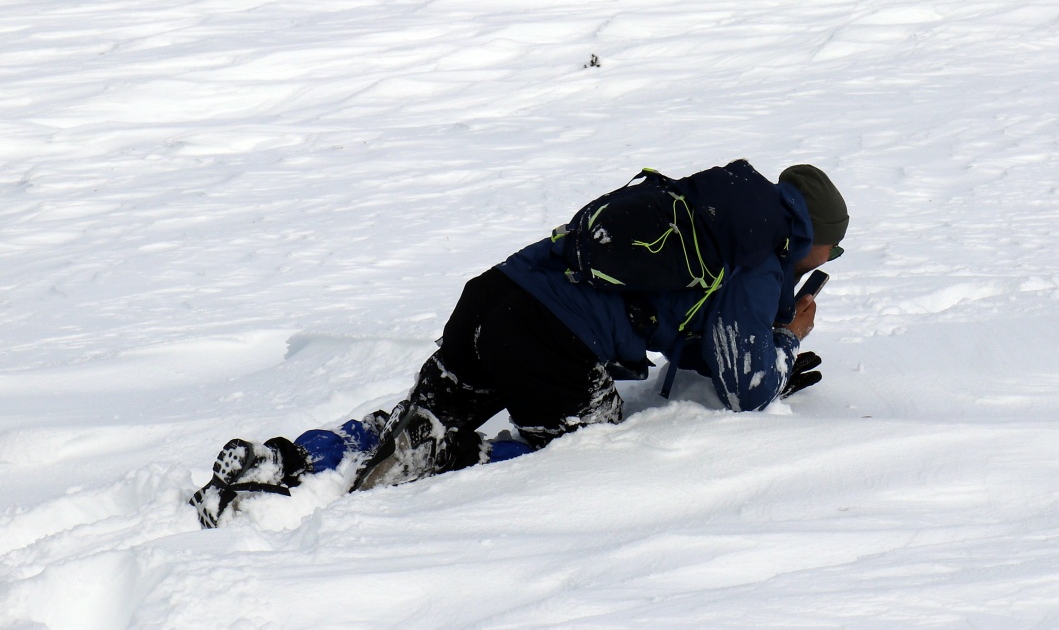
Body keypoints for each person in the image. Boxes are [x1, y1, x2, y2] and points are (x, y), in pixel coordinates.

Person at [190, 160, 848, 528]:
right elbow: (745, 390)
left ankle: (288, 460)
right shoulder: (763, 258)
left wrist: (763, 347)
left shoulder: (716, 209)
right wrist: (786, 340)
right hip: (550, 334)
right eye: (833, 249)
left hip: (499, 293)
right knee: (580, 449)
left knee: (431, 406)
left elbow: (697, 334)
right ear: (816, 236)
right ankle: (449, 456)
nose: (829, 257)